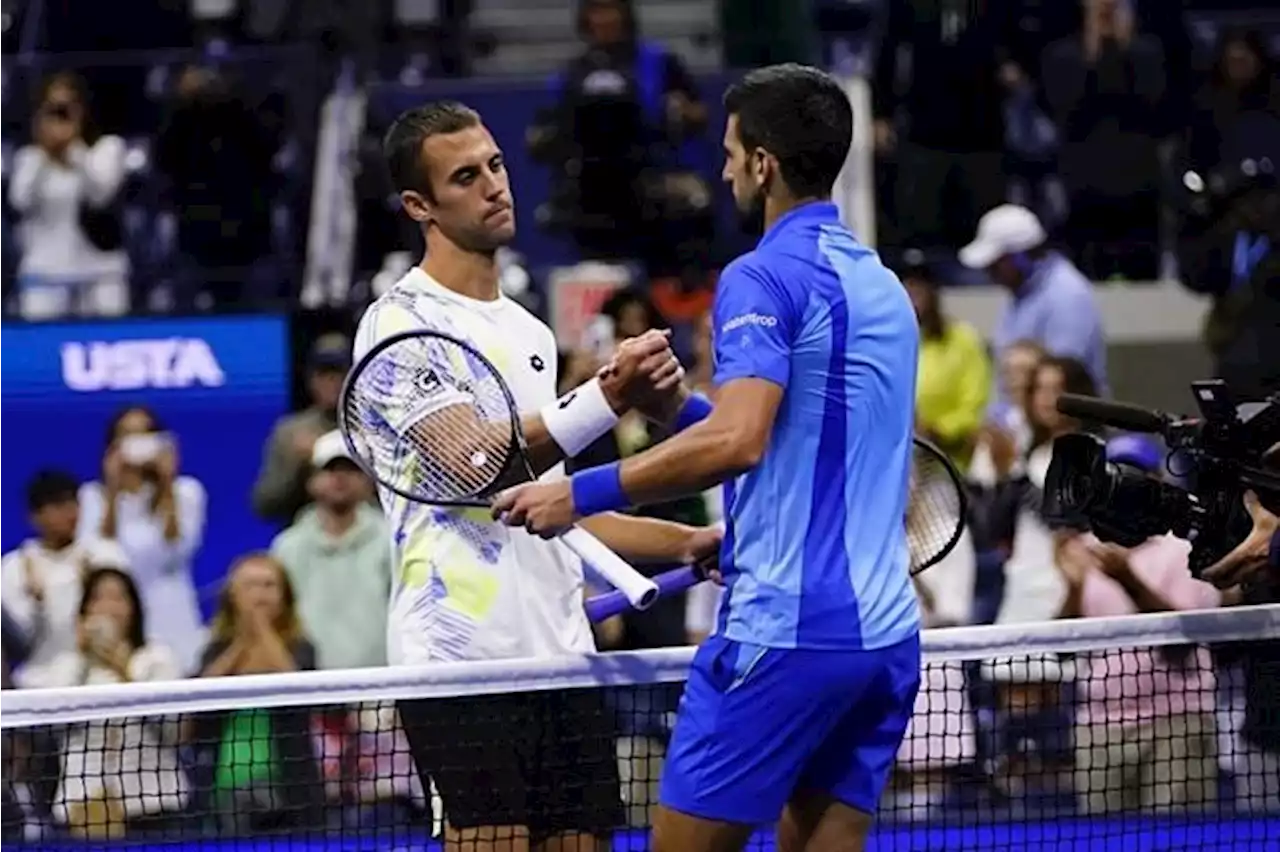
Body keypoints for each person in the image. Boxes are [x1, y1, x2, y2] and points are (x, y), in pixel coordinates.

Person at [495, 64, 923, 852]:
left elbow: (739, 442)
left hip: (785, 638)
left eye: (731, 152)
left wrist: (575, 495)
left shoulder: (761, 275)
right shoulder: (883, 285)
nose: (723, 168)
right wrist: (673, 411)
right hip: (886, 640)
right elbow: (796, 439)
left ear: (763, 162)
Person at [360, 100, 723, 851]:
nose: (495, 185)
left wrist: (685, 542)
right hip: (460, 665)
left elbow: (545, 507)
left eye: (495, 164)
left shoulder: (528, 333)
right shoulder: (398, 324)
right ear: (419, 206)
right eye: (466, 176)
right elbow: (475, 461)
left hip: (562, 656)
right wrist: (609, 396)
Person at [31, 568, 187, 838]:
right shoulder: (67, 665)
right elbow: (51, 725)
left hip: (153, 802)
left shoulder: (158, 658)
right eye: (98, 598)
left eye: (118, 598)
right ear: (84, 610)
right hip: (82, 805)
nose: (108, 607)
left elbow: (172, 730)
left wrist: (125, 672)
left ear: (134, 608)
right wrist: (82, 657)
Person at [78, 406, 207, 673]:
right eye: (127, 435)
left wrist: (167, 483)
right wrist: (112, 491)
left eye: (145, 434)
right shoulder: (92, 496)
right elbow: (100, 554)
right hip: (119, 619)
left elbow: (177, 550)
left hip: (173, 615)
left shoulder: (187, 492)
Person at [6, 71, 129, 320]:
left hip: (100, 270)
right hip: (45, 271)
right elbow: (19, 201)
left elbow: (100, 196)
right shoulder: (30, 157)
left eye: (67, 108)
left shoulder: (106, 149)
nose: (60, 117)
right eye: (53, 109)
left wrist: (73, 147)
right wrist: (44, 152)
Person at [958, 203, 1107, 406]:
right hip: (1024, 425)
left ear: (1021, 257)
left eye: (995, 263)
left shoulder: (1068, 295)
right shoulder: (1019, 293)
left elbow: (1059, 384)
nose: (988, 271)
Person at [270, 430, 390, 670]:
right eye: (330, 470)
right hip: (309, 687)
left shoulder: (392, 541)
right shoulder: (287, 546)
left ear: (368, 480)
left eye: (352, 470)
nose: (340, 478)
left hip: (379, 684)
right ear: (311, 480)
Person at [0, 470, 128, 687]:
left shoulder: (104, 554)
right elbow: (20, 646)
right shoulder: (15, 567)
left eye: (74, 503)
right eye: (59, 506)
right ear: (35, 516)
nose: (71, 513)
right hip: (37, 684)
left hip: (101, 678)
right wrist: (37, 601)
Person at [252, 333, 349, 525]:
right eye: (323, 374)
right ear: (311, 380)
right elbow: (263, 505)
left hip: (369, 537)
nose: (331, 382)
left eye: (338, 374)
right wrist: (296, 466)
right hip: (306, 536)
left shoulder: (374, 430)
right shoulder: (289, 432)